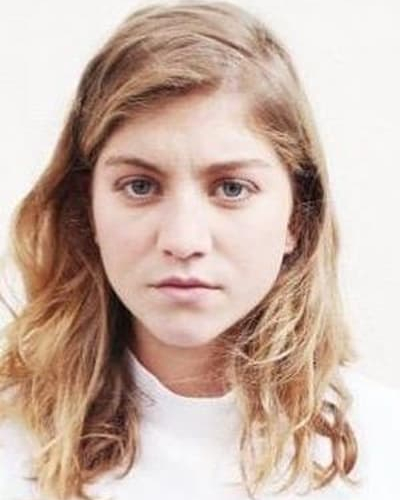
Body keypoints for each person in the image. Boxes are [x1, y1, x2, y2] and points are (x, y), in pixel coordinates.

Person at [0, 1, 399, 499]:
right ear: (88, 209)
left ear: (297, 216)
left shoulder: (386, 453)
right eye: (140, 186)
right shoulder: (11, 444)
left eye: (231, 188)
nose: (183, 240)